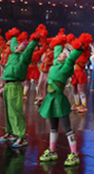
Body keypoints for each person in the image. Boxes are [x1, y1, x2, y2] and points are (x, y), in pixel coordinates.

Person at [39, 33, 91, 167]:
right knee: (53, 127)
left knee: (67, 128)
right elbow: (57, 51)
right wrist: (58, 42)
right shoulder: (56, 63)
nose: (61, 54)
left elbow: (72, 58)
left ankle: (74, 153)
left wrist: (79, 47)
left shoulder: (66, 66)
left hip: (59, 100)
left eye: (64, 54)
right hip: (50, 99)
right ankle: (52, 150)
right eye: (61, 53)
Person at [0, 29, 40, 149]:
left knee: (16, 111)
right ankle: (10, 132)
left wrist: (34, 40)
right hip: (7, 85)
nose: (18, 45)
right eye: (18, 44)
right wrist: (13, 35)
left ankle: (21, 136)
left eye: (22, 45)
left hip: (16, 85)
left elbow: (30, 49)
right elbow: (13, 44)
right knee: (8, 111)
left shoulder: (24, 57)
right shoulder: (13, 55)